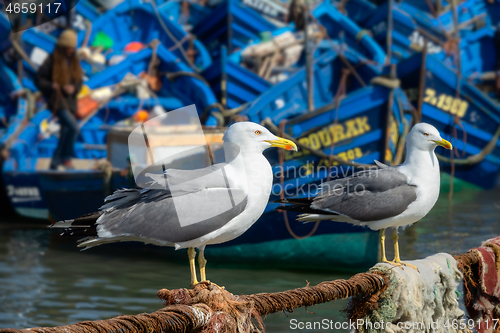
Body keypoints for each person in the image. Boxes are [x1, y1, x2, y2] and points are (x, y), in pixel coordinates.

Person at [35, 29, 82, 170]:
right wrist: (52, 85)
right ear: (62, 48)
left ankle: (55, 163)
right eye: (68, 48)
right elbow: (38, 80)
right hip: (57, 101)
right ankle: (66, 158)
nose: (70, 51)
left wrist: (73, 88)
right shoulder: (51, 60)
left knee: (66, 131)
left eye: (72, 48)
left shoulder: (74, 61)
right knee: (74, 128)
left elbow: (79, 82)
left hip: (70, 103)